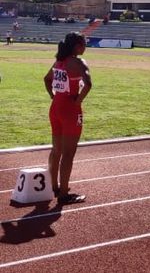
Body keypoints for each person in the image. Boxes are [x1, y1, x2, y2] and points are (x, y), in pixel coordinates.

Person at [44, 32, 91, 205]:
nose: (85, 48)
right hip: (70, 110)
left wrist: (52, 95)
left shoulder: (59, 61)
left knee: (56, 150)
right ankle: (63, 194)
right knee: (68, 153)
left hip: (55, 107)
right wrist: (77, 101)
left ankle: (54, 186)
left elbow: (46, 79)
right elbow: (88, 84)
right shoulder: (78, 62)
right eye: (84, 44)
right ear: (77, 46)